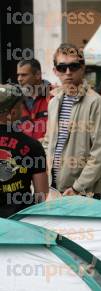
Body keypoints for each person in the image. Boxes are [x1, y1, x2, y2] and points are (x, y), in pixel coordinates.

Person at [42, 43, 101, 198]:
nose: (68, 72)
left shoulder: (98, 105)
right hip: (53, 190)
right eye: (62, 67)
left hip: (83, 193)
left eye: (73, 66)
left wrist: (77, 188)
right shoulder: (53, 103)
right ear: (55, 71)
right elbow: (48, 143)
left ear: (83, 68)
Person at [0, 83, 48, 217]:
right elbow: (41, 195)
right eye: (21, 104)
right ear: (13, 112)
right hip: (21, 222)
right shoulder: (33, 146)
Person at [16, 58, 51, 141]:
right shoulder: (16, 99)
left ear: (38, 75)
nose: (19, 79)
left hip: (47, 151)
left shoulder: (55, 96)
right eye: (18, 75)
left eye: (24, 75)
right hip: (24, 152)